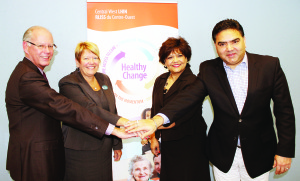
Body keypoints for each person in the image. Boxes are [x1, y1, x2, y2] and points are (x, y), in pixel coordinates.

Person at [126, 19, 295, 180]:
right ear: (215, 46)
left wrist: (285, 151)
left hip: (259, 152)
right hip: (223, 154)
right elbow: (187, 97)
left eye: (235, 41)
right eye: (222, 44)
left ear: (244, 40)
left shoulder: (269, 66)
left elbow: (284, 112)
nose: (229, 48)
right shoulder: (208, 69)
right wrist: (156, 121)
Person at [5, 26, 135, 181]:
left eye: (50, 46)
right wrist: (116, 130)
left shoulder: (33, 72)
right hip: (35, 158)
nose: (47, 51)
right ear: (26, 46)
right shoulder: (28, 77)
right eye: (41, 46)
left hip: (45, 154)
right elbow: (68, 108)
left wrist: (116, 140)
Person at [58, 42, 123, 181]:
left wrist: (116, 143)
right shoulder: (68, 83)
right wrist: (125, 122)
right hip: (80, 150)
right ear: (77, 62)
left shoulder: (104, 79)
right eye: (86, 58)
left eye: (95, 58)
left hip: (103, 147)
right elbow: (90, 109)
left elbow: (112, 108)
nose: (91, 62)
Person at [148, 37, 210, 180]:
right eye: (170, 57)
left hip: (190, 141)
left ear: (187, 57)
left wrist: (149, 127)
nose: (175, 60)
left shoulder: (194, 82)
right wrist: (154, 137)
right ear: (164, 61)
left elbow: (179, 117)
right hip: (169, 142)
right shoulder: (160, 80)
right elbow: (155, 109)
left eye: (180, 55)